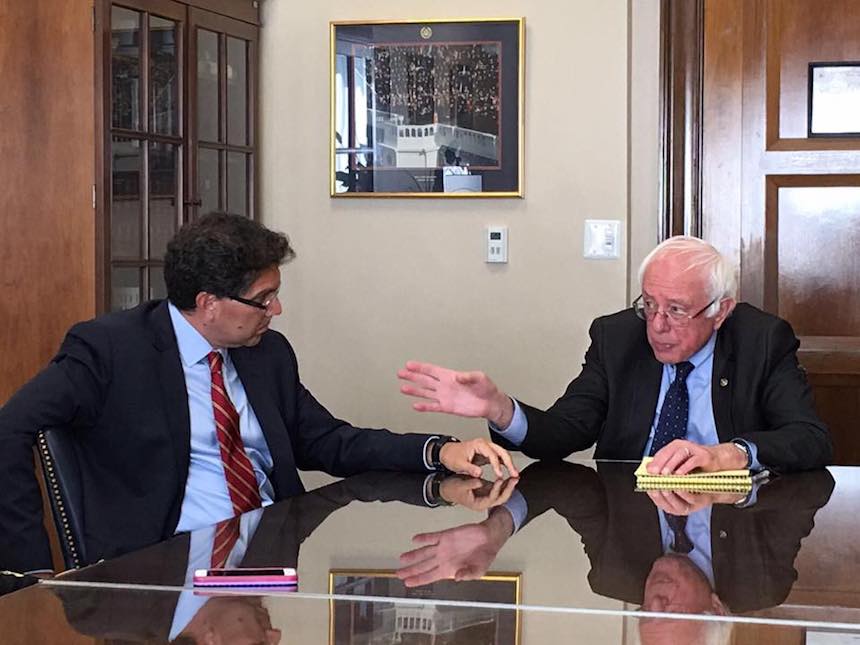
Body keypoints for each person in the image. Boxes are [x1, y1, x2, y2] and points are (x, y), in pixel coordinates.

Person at [0, 213, 516, 575]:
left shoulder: (265, 353)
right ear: (208, 303)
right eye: (263, 299)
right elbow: (10, 428)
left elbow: (328, 441)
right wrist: (28, 570)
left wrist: (440, 451)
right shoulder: (110, 351)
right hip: (164, 575)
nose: (277, 311)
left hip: (271, 558)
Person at [399, 236, 833, 474]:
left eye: (677, 310)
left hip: (730, 524)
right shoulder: (618, 338)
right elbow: (562, 434)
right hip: (633, 520)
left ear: (720, 311)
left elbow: (810, 439)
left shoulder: (762, 340)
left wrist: (729, 454)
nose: (657, 325)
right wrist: (500, 409)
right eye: (649, 305)